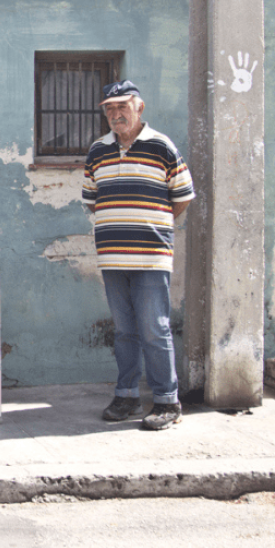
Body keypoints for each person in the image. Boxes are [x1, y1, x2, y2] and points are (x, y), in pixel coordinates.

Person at [82, 80, 194, 431]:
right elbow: (91, 200)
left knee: (154, 329)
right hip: (112, 258)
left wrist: (151, 227)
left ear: (139, 108)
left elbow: (182, 197)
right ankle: (127, 396)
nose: (116, 114)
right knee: (124, 331)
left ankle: (167, 401)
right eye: (110, 109)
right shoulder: (98, 150)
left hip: (151, 257)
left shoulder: (161, 146)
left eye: (122, 107)